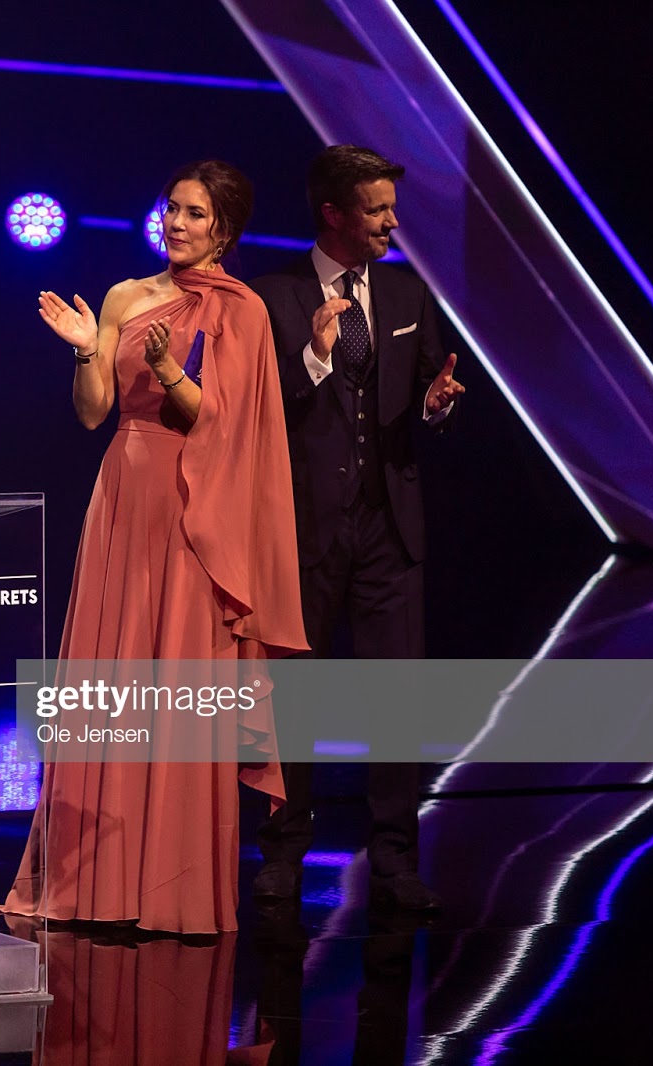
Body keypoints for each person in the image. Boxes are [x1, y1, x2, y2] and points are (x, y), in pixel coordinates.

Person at [2, 160, 308, 934]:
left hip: (195, 506)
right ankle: (92, 885)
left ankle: (171, 890)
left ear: (224, 230)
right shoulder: (124, 297)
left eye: (195, 214)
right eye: (172, 208)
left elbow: (221, 421)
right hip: (124, 493)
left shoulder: (242, 310)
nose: (176, 223)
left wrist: (171, 370)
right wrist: (84, 350)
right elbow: (93, 412)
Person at [248, 145, 463, 912]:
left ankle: (396, 862)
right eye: (377, 210)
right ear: (334, 213)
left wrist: (437, 405)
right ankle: (283, 855)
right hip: (303, 530)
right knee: (292, 701)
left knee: (395, 701)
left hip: (389, 529)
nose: (392, 223)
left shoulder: (406, 294)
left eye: (391, 209)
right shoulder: (270, 296)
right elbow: (256, 407)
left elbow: (431, 385)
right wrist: (313, 355)